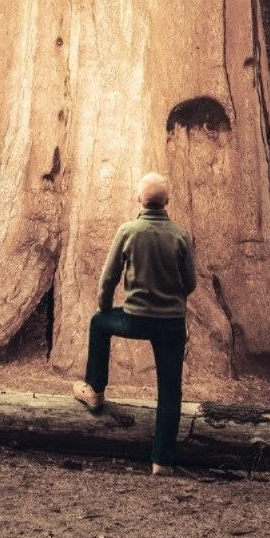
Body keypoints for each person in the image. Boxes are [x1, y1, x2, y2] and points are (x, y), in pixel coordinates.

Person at [72, 172, 196, 476]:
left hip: (134, 320)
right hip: (170, 324)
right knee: (170, 392)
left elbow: (108, 279)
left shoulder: (128, 231)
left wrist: (105, 307)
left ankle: (95, 390)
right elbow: (190, 283)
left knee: (98, 323)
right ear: (167, 201)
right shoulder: (181, 235)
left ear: (140, 200)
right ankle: (162, 462)